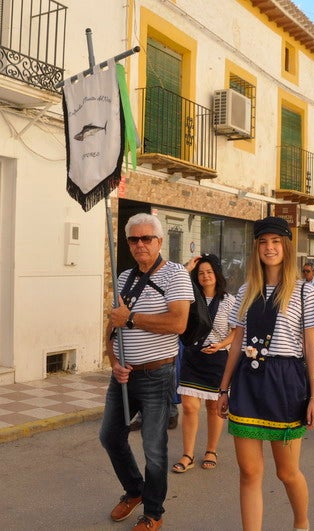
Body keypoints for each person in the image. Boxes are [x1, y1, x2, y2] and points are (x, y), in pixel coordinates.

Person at [216, 216, 314, 531]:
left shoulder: (304, 292)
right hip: (248, 382)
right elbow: (237, 343)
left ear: (286, 247)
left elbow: (312, 347)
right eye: (263, 242)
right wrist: (223, 389)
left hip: (285, 382)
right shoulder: (246, 290)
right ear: (256, 248)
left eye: (276, 241)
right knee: (249, 472)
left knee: (286, 472)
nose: (269, 247)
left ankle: (301, 523)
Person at [101, 213, 194, 530]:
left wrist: (131, 318)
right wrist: (114, 363)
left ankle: (153, 512)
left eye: (146, 238)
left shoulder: (175, 274)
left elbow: (178, 323)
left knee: (154, 449)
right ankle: (134, 490)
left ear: (159, 241)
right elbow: (112, 327)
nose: (140, 244)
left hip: (157, 375)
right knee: (110, 437)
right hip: (123, 376)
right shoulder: (124, 277)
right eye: (133, 239)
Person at [173, 254, 236, 473]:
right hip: (193, 356)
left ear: (217, 274)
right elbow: (172, 286)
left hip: (218, 359)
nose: (205, 276)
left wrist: (220, 345)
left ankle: (211, 450)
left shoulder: (229, 300)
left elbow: (236, 332)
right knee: (189, 407)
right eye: (200, 273)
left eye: (209, 272)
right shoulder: (190, 296)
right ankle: (187, 455)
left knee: (213, 407)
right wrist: (186, 268)